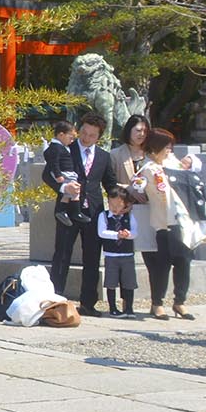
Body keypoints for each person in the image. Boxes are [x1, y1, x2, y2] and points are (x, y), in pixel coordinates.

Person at [46, 112, 118, 316]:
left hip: (94, 212)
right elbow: (48, 175)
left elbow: (109, 183)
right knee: (62, 254)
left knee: (92, 257)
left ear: (99, 137)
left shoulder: (104, 156)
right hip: (68, 210)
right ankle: (55, 299)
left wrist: (121, 198)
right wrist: (62, 189)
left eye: (92, 135)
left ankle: (88, 302)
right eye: (84, 133)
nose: (86, 138)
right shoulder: (65, 149)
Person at [138, 127, 201, 319]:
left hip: (183, 221)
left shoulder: (172, 162)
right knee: (162, 264)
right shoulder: (148, 167)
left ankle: (180, 301)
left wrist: (190, 161)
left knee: (184, 262)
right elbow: (144, 187)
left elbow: (192, 170)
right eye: (166, 147)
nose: (169, 151)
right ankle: (157, 303)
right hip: (163, 222)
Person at [98, 187, 140, 318]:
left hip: (127, 254)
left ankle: (129, 308)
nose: (114, 208)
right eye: (111, 204)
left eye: (118, 205)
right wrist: (117, 235)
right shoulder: (104, 215)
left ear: (125, 204)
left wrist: (128, 234)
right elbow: (102, 232)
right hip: (111, 255)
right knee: (111, 282)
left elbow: (135, 232)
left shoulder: (129, 216)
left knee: (129, 282)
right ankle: (113, 307)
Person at [42, 121, 85, 237]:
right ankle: (68, 211)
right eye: (70, 137)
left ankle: (71, 212)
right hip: (64, 174)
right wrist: (58, 175)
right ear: (61, 135)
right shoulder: (55, 148)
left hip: (70, 173)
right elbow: (54, 164)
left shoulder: (63, 147)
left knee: (70, 193)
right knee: (72, 191)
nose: (72, 141)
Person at [111, 115, 151, 206]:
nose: (142, 134)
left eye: (145, 131)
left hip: (149, 205)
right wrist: (129, 188)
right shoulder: (115, 154)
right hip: (124, 205)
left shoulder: (152, 154)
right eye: (138, 130)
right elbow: (110, 182)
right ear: (129, 130)